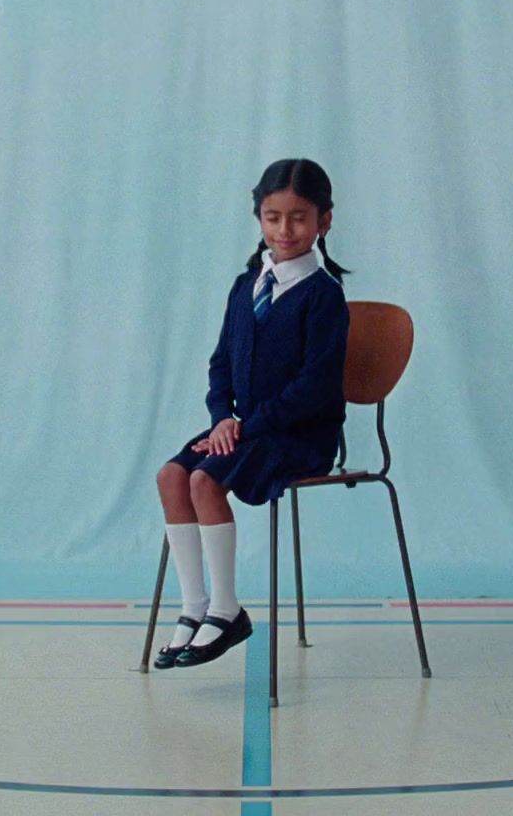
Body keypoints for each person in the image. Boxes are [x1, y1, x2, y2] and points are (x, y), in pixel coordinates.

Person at [153, 158, 351, 669]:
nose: (285, 230)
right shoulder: (247, 285)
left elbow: (315, 388)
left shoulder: (324, 296)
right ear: (259, 217)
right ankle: (194, 605)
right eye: (273, 217)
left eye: (299, 218)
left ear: (324, 220)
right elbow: (221, 364)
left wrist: (244, 426)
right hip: (244, 429)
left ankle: (228, 608)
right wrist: (223, 417)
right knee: (174, 475)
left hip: (299, 434)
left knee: (204, 482)